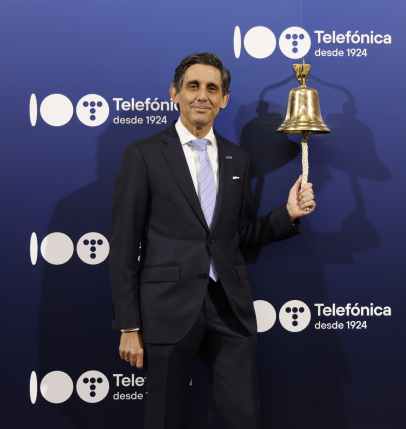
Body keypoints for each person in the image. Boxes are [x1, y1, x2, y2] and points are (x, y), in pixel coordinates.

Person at [109, 52, 316, 429]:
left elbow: (241, 236)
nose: (202, 95)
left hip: (229, 309)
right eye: (193, 86)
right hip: (167, 310)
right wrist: (128, 325)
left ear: (224, 99)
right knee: (164, 418)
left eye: (212, 88)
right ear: (174, 93)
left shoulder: (238, 159)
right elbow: (124, 247)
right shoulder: (144, 156)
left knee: (243, 417)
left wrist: (287, 214)